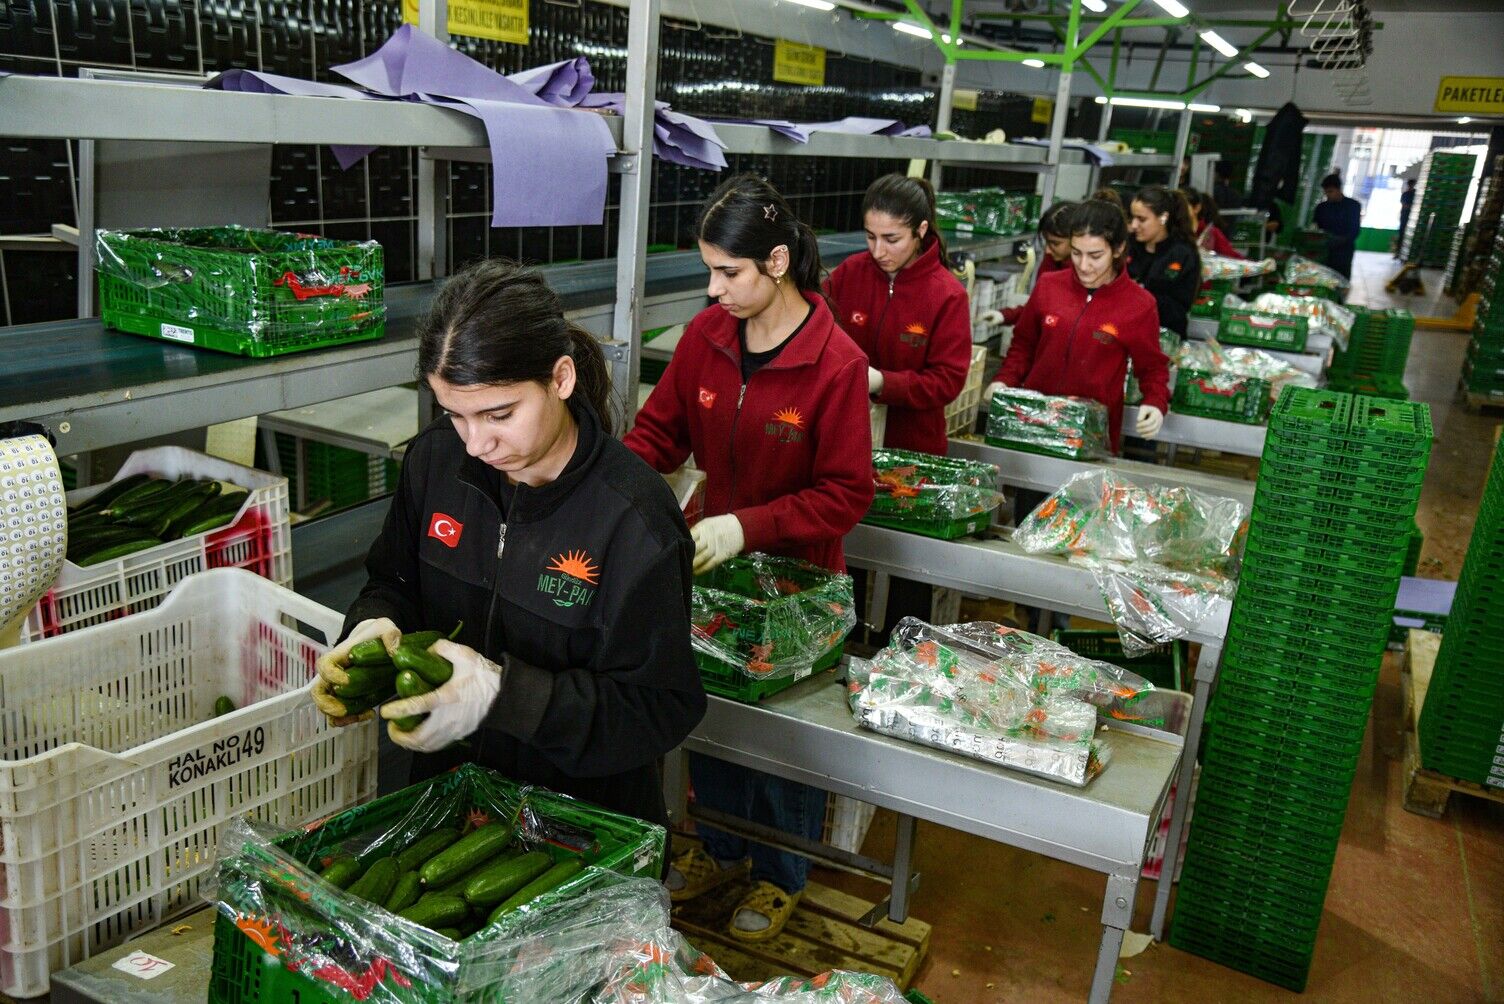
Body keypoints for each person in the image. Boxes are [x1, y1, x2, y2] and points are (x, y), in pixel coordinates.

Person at [310, 259, 706, 830]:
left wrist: (505, 696)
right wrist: (371, 623)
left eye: (499, 414)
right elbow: (393, 582)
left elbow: (658, 710)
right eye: (455, 415)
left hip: (581, 831)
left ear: (561, 379)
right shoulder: (436, 462)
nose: (475, 444)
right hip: (449, 808)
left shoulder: (633, 519)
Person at [624, 173, 874, 942]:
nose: (714, 289)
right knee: (716, 712)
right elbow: (657, 436)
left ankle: (779, 874)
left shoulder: (834, 365)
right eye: (709, 271)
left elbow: (847, 493)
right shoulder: (705, 339)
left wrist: (748, 526)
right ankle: (724, 849)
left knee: (783, 741)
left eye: (727, 272)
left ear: (774, 263)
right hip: (711, 568)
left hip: (798, 584)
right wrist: (612, 489)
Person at [985, 198, 1171, 455]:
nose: (1084, 266)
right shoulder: (1049, 286)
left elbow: (1152, 368)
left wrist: (1155, 401)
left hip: (1090, 436)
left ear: (1117, 249)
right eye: (1076, 253)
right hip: (1034, 423)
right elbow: (1023, 345)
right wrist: (1004, 379)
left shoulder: (1139, 305)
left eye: (1095, 256)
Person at [826, 173, 972, 457]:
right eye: (871, 236)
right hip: (846, 439)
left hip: (910, 450)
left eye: (892, 239)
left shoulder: (947, 295)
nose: (879, 251)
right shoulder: (850, 273)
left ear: (920, 231)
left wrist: (883, 382)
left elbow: (947, 382)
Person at [1126, 185, 1202, 337]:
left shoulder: (1181, 254)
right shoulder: (1129, 246)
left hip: (1165, 335)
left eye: (1141, 219)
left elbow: (1178, 306)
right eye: (1132, 218)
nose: (1134, 225)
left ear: (1163, 218)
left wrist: (1139, 294)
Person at [997, 201, 1077, 326]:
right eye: (1047, 242)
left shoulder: (1087, 276)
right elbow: (1040, 309)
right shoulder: (1051, 262)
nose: (1048, 250)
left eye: (1055, 243)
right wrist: (1004, 315)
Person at [1313, 173, 1362, 279]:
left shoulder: (1353, 206)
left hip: (1344, 252)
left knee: (1341, 281)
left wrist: (1339, 240)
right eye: (1326, 192)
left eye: (1330, 191)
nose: (1328, 195)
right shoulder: (1321, 208)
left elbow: (1355, 230)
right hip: (1324, 251)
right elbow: (1316, 228)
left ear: (1339, 189)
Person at [1182, 187, 1244, 260]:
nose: (1178, 210)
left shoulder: (1211, 234)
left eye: (1182, 206)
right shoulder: (1173, 232)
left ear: (1196, 208)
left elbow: (1235, 258)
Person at [1396, 178, 1417, 261]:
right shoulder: (1406, 194)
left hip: (1411, 219)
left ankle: (1405, 254)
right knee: (1402, 235)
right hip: (1405, 217)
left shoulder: (1415, 194)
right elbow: (1404, 205)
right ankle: (1398, 253)